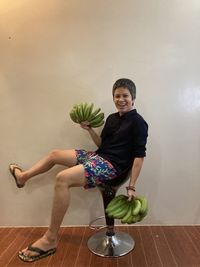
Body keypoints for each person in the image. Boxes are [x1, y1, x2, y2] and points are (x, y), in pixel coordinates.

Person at [9, 78, 148, 262]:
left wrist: (132, 186)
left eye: (125, 96)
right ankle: (23, 177)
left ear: (133, 97)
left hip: (113, 167)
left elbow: (139, 157)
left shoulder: (139, 122)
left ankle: (50, 239)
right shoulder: (112, 118)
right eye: (117, 95)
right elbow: (103, 145)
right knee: (54, 154)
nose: (120, 99)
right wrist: (90, 130)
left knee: (62, 179)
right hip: (99, 157)